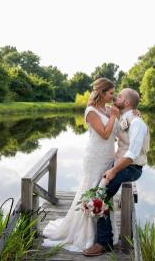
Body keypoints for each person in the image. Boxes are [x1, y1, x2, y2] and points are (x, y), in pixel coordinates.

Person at [42, 77, 120, 251]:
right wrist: (113, 116)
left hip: (108, 156)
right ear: (101, 92)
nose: (112, 97)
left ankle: (104, 234)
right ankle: (87, 234)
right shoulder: (91, 111)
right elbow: (105, 134)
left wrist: (125, 116)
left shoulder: (107, 109)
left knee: (103, 191)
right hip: (95, 157)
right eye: (110, 93)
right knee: (93, 189)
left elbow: (115, 132)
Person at [83, 88, 150, 257]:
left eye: (119, 96)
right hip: (122, 165)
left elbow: (132, 155)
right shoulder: (127, 118)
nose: (115, 97)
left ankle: (103, 242)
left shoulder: (137, 123)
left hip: (131, 168)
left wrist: (113, 171)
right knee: (100, 193)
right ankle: (105, 239)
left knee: (100, 196)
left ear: (126, 102)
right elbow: (116, 132)